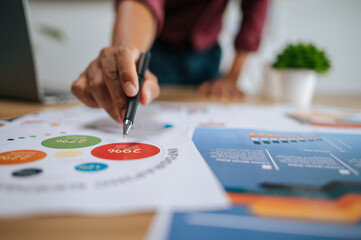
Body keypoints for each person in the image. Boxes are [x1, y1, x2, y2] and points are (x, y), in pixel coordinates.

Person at [71, 0, 269, 123]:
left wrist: (232, 77)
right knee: (141, 101)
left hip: (208, 56)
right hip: (157, 50)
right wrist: (126, 52)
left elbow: (255, 12)